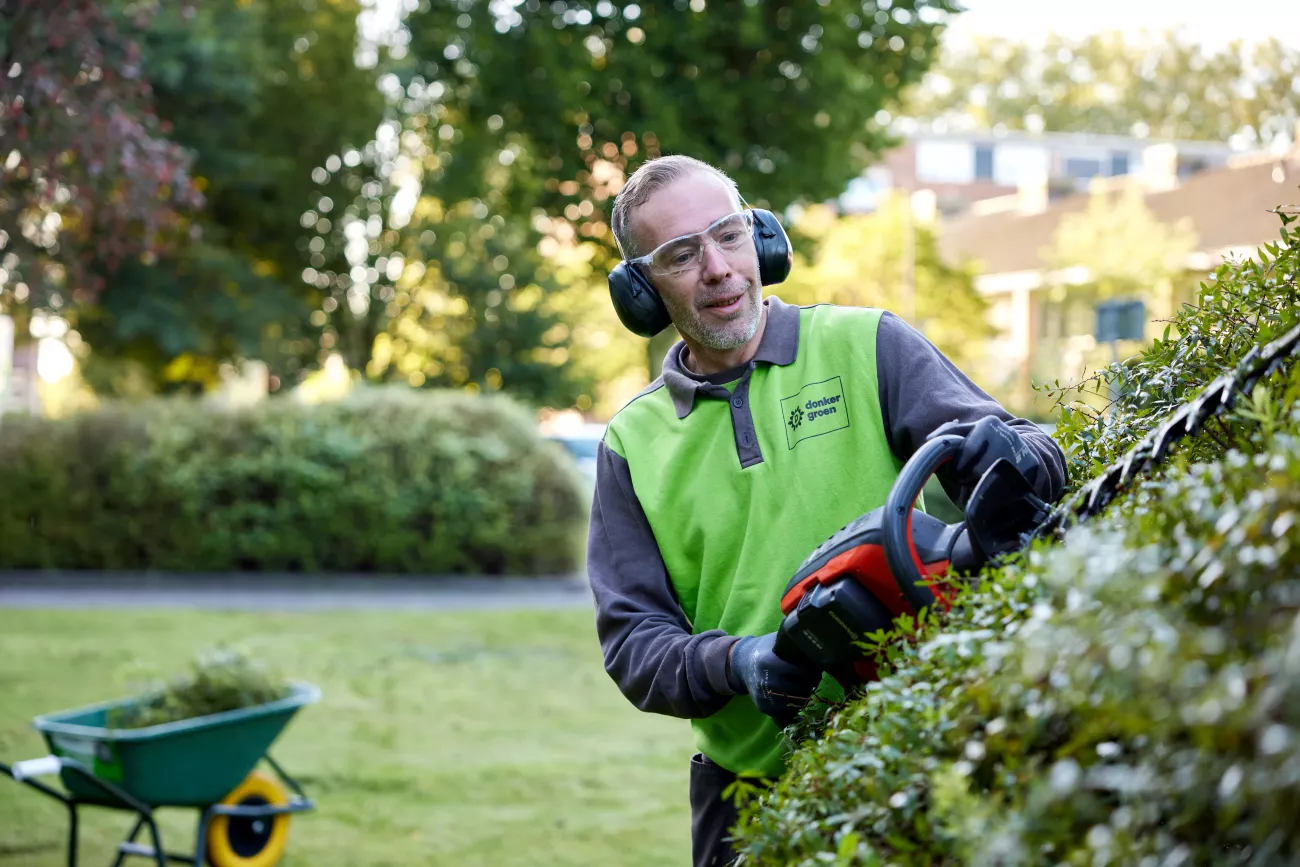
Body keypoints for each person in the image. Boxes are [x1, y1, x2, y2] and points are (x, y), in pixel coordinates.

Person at [586, 155, 1067, 867]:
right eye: (682, 255)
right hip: (748, 793)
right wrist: (741, 660)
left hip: (920, 745)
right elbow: (633, 646)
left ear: (764, 239)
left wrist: (1019, 467)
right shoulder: (633, 444)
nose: (717, 267)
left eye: (728, 234)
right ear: (642, 292)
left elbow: (1013, 447)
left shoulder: (865, 343)